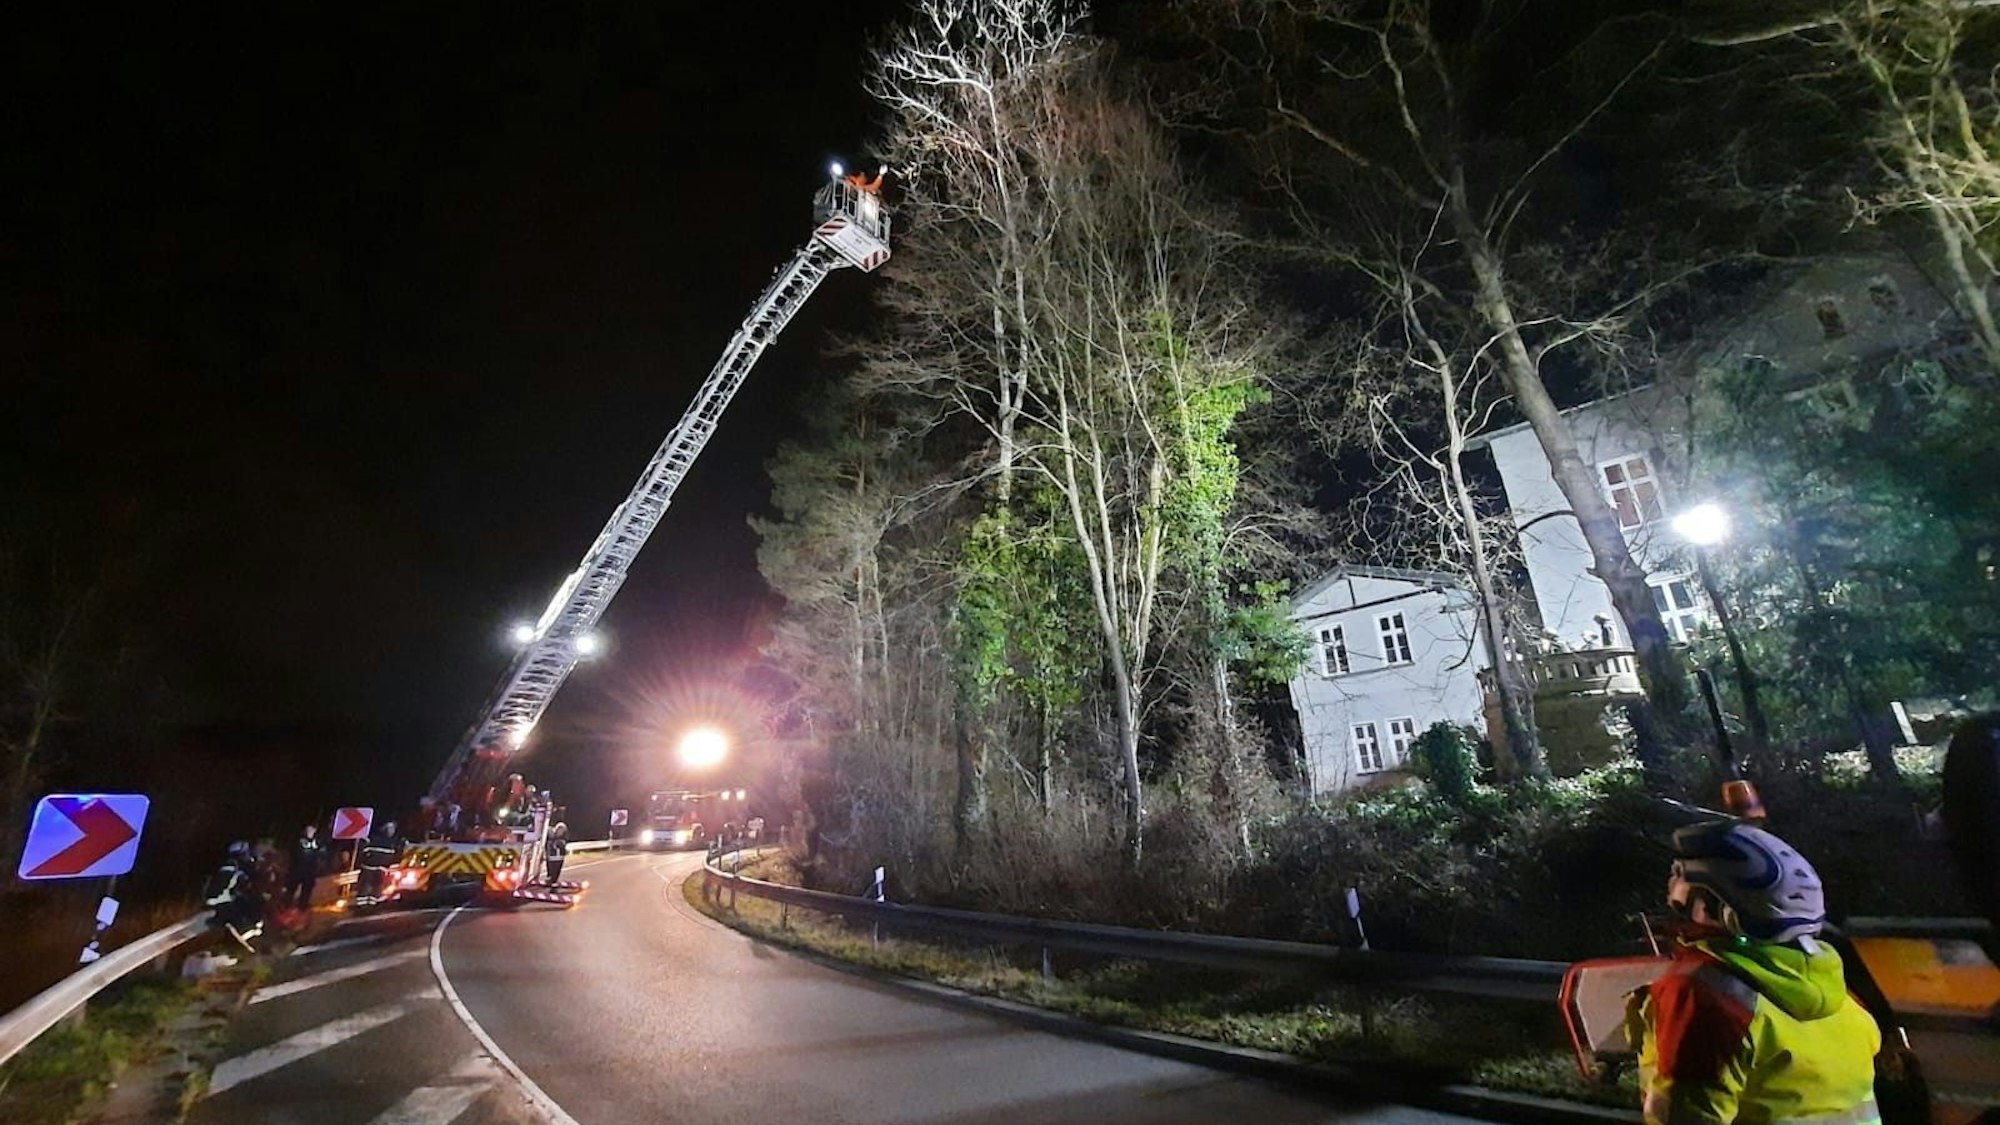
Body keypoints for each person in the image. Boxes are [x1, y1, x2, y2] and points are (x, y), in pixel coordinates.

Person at [1626, 822, 1881, 1125]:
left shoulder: (1710, 996)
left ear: (1719, 908)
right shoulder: (1844, 1001)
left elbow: (1687, 1116)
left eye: (1686, 883)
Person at [203, 841, 266, 951]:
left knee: (251, 902)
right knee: (254, 903)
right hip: (221, 903)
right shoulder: (233, 871)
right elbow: (241, 888)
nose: (248, 856)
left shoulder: (230, 868)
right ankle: (246, 936)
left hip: (221, 900)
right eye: (245, 854)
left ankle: (249, 932)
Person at [355, 820, 403, 906]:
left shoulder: (390, 841)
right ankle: (363, 902)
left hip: (378, 867)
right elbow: (365, 851)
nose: (392, 831)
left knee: (375, 885)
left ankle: (369, 903)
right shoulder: (380, 840)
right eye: (390, 829)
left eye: (393, 829)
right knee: (367, 884)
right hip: (370, 867)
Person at [282, 823, 324, 909]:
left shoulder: (318, 841)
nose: (310, 831)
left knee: (307, 890)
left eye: (312, 829)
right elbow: (292, 853)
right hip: (297, 869)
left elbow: (322, 854)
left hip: (310, 871)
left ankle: (302, 906)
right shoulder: (298, 840)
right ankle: (286, 905)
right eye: (309, 829)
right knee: (291, 888)